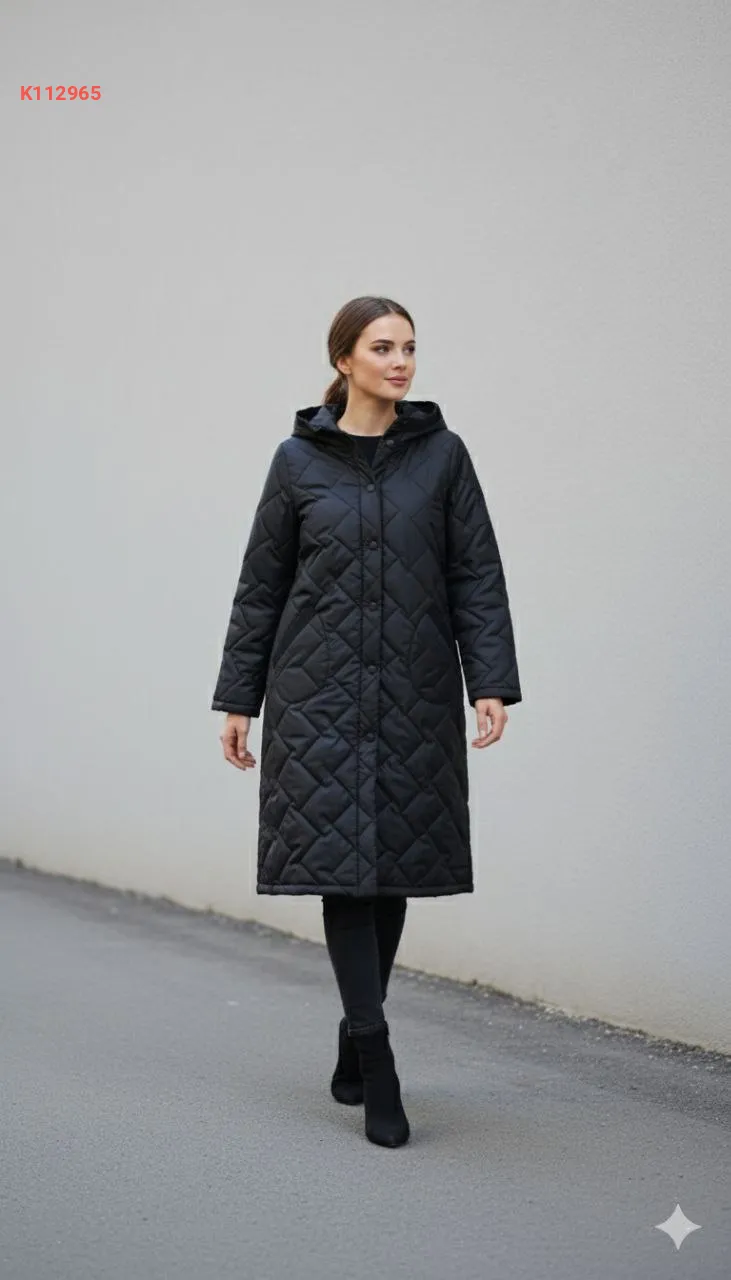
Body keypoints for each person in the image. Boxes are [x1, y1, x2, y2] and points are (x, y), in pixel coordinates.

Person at [211, 295, 522, 1148]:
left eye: (409, 347)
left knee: (389, 869)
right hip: (316, 694)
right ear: (344, 359)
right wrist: (239, 699)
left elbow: (475, 573)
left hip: (413, 692)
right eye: (382, 347)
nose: (400, 362)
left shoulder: (443, 457)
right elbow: (261, 588)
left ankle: (354, 1034)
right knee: (343, 872)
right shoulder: (296, 462)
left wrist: (489, 681)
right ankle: (378, 1057)